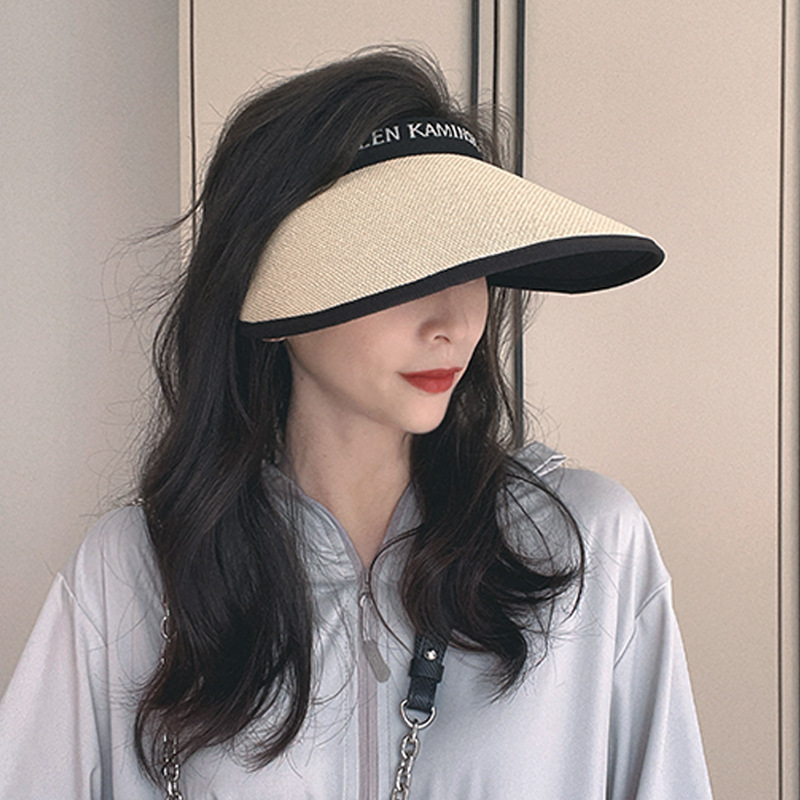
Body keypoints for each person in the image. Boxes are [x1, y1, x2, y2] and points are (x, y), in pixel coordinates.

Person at [0, 47, 713, 798]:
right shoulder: (134, 572)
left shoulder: (587, 544)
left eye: (471, 263)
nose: (452, 321)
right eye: (403, 266)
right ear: (267, 291)